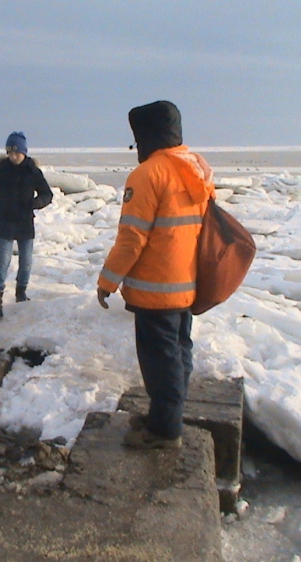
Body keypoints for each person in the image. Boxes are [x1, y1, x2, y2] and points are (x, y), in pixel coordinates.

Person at [97, 101, 215, 450]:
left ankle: (165, 432)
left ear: (146, 138)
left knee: (159, 361)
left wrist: (107, 281)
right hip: (186, 285)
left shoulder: (148, 175)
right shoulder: (195, 170)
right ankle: (167, 416)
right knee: (178, 353)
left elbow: (132, 238)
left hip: (155, 290)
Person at [0, 131, 53, 319]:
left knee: (26, 262)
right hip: (4, 221)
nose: (13, 156)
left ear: (23, 152)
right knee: (3, 261)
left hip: (24, 222)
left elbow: (47, 194)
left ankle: (21, 293)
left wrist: (35, 203)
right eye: (10, 152)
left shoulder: (32, 170)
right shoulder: (1, 169)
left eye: (16, 152)